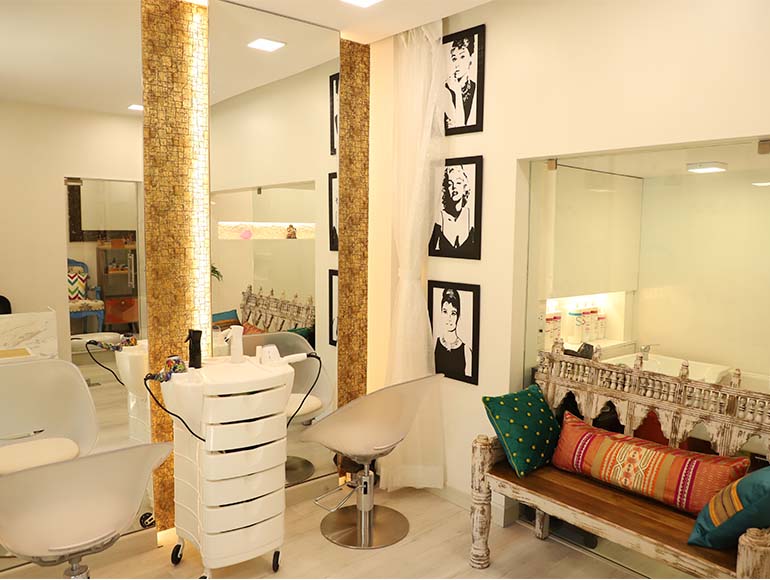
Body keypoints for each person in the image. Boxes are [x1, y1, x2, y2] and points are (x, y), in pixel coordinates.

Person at [429, 165, 476, 258]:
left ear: (465, 188)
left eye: (458, 183)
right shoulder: (440, 218)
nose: (454, 187)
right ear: (446, 189)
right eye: (450, 184)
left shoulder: (470, 217)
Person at [434, 288, 473, 381]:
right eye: (445, 311)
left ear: (458, 315)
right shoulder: (434, 343)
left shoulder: (466, 351)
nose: (449, 318)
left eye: (453, 313)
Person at [443, 35, 477, 130]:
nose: (457, 64)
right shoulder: (445, 88)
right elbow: (458, 125)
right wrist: (457, 91)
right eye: (454, 58)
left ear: (471, 59)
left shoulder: (474, 87)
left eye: (462, 56)